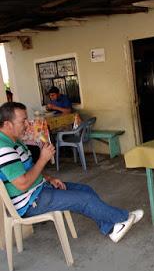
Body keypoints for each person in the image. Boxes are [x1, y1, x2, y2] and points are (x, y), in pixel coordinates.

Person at [0, 102, 143, 243]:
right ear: (7, 124)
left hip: (39, 189)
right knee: (84, 200)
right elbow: (22, 184)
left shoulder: (15, 142)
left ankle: (112, 228)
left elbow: (29, 169)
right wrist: (43, 159)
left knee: (86, 190)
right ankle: (123, 218)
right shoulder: (4, 149)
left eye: (27, 119)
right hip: (30, 201)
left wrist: (49, 178)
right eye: (23, 121)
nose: (27, 124)